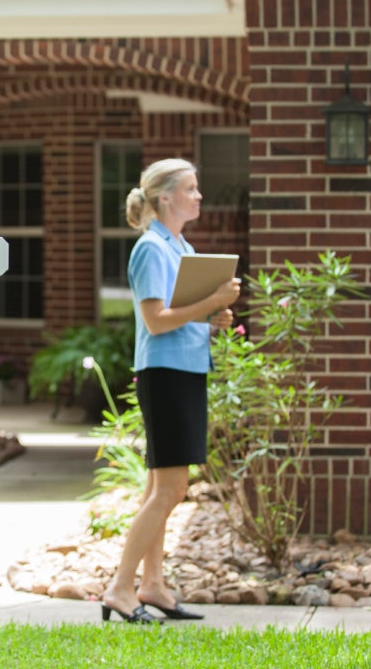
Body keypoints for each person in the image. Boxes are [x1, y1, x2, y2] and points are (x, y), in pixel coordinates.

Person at [100, 158, 241, 624]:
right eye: (191, 188)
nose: (199, 196)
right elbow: (156, 321)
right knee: (172, 489)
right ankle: (120, 589)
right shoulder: (151, 250)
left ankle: (153, 585)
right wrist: (213, 302)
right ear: (165, 198)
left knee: (157, 487)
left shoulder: (180, 246)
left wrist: (213, 316)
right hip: (165, 374)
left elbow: (182, 312)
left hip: (184, 369)